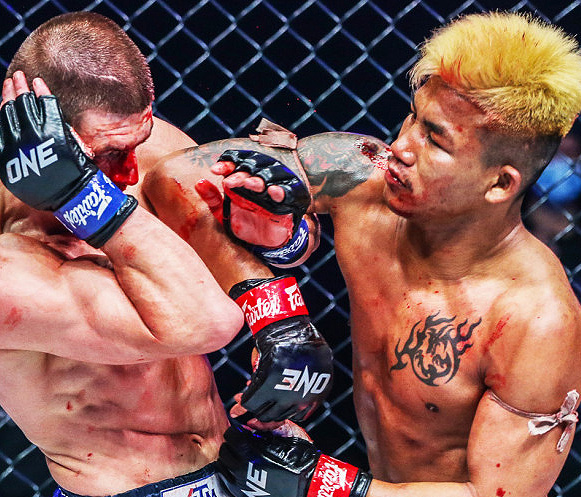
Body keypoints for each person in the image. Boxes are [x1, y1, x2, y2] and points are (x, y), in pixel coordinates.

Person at [156, 11, 581, 497]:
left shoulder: (537, 321)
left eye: (435, 138)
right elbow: (173, 180)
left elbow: (498, 494)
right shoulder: (359, 177)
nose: (401, 146)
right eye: (413, 116)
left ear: (500, 183)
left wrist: (322, 484)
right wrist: (277, 290)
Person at [0, 11, 332, 497]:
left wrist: (282, 250)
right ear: (39, 133)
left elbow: (284, 241)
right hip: (125, 485)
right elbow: (206, 322)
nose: (129, 173)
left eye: (137, 142)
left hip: (233, 462)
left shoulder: (144, 147)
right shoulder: (10, 253)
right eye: (105, 156)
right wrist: (78, 194)